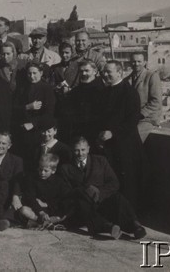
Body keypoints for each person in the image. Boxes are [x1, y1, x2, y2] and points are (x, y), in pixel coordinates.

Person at [58, 137, 146, 240]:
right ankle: (108, 228)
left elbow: (114, 183)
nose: (80, 153)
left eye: (83, 150)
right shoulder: (65, 168)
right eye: (77, 150)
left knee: (118, 198)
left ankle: (135, 226)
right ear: (72, 150)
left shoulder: (100, 161)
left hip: (102, 200)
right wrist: (85, 191)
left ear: (88, 149)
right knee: (81, 204)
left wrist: (99, 192)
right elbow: (66, 191)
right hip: (83, 206)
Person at [98, 60, 144, 207]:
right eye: (104, 71)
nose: (105, 74)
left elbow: (132, 119)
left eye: (109, 72)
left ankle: (129, 215)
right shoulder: (105, 91)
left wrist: (113, 133)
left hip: (126, 144)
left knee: (127, 181)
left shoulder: (129, 92)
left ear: (120, 73)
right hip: (108, 144)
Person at [12, 62, 56, 161]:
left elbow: (49, 113)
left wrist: (33, 123)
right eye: (29, 73)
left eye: (34, 73)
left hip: (39, 131)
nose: (32, 76)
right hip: (22, 129)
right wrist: (27, 107)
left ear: (41, 73)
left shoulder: (47, 88)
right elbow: (13, 108)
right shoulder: (22, 88)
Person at [18, 154, 71, 229]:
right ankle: (45, 222)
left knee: (66, 213)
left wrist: (47, 204)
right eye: (40, 169)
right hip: (37, 209)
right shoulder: (33, 179)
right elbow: (31, 197)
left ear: (53, 171)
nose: (42, 173)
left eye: (46, 171)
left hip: (53, 209)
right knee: (23, 210)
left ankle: (40, 223)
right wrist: (41, 212)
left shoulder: (59, 181)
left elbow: (63, 199)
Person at [62, 60, 105, 146]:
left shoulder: (102, 89)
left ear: (95, 72)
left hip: (96, 133)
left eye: (87, 71)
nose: (84, 74)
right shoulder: (75, 91)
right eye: (81, 71)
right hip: (79, 133)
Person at [125, 53, 162, 142]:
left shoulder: (152, 76)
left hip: (148, 118)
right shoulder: (127, 79)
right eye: (134, 61)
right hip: (133, 118)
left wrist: (141, 114)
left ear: (145, 62)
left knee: (133, 139)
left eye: (139, 61)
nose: (136, 64)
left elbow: (156, 101)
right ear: (130, 63)